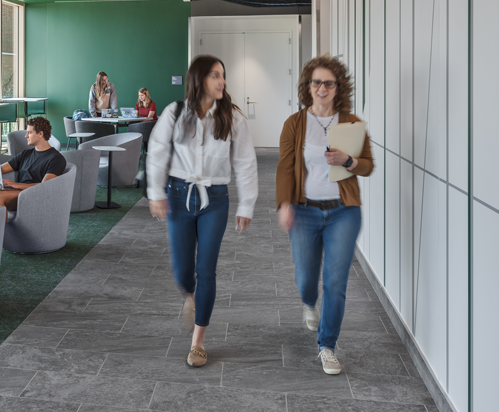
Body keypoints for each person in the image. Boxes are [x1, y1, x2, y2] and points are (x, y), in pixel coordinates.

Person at [145, 55, 257, 368]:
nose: (222, 81)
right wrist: (156, 193)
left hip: (215, 199)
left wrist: (247, 203)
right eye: (214, 75)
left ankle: (198, 341)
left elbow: (245, 162)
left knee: (206, 269)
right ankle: (191, 297)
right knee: (183, 272)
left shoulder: (233, 117)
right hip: (178, 195)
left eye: (223, 75)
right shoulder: (175, 113)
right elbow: (157, 153)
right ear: (199, 79)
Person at [276, 56, 374, 376]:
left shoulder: (351, 123)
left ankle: (327, 346)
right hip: (304, 211)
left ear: (337, 87)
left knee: (335, 281)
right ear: (308, 86)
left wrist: (348, 161)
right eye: (316, 82)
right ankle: (309, 303)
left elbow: (367, 166)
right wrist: (284, 204)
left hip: (343, 212)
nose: (322, 88)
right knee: (306, 278)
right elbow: (285, 167)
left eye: (328, 83)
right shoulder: (295, 123)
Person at [0, 117, 66, 213]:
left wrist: (15, 184)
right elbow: (0, 169)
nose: (26, 136)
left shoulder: (56, 158)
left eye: (29, 132)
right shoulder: (25, 154)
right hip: (16, 192)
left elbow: (45, 187)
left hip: (32, 195)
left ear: (40, 134)